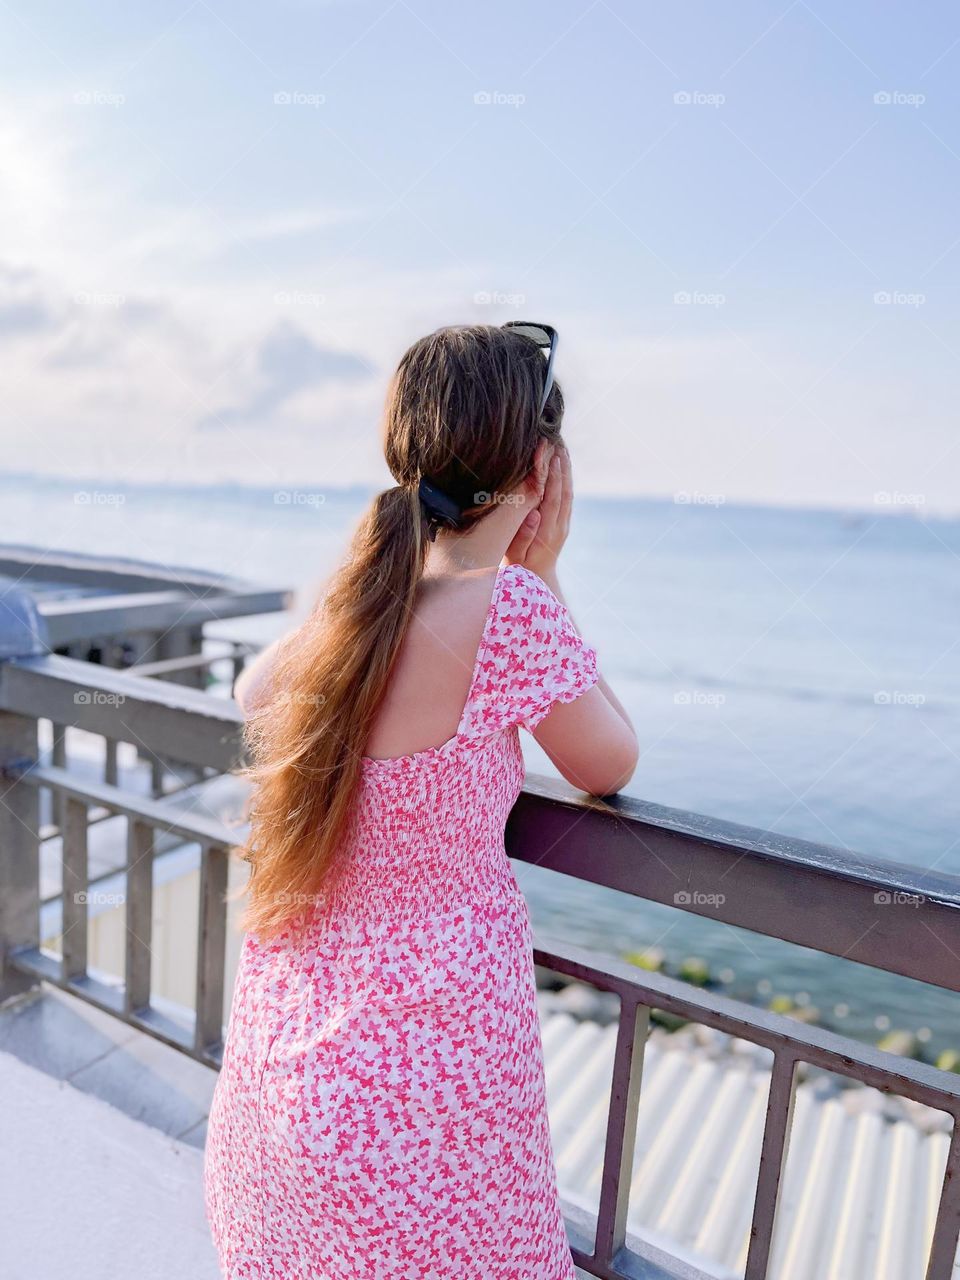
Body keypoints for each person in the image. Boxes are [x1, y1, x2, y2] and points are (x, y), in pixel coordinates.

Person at [203, 323, 639, 1279]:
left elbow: (255, 693)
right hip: (430, 1084)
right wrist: (544, 572)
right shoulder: (509, 610)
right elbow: (609, 762)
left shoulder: (367, 600)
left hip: (294, 1058)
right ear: (540, 466)